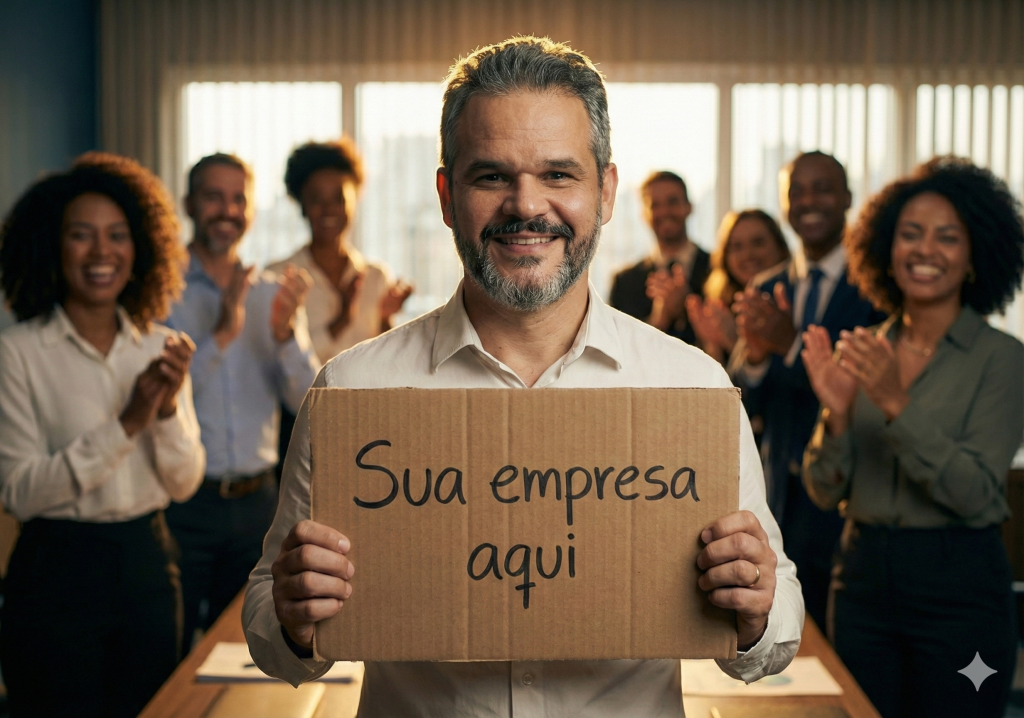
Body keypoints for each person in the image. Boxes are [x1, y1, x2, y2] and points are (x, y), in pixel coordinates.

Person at [244, 36, 803, 717]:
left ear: (606, 193)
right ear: (448, 196)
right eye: (492, 177)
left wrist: (755, 608)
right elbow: (270, 626)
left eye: (559, 175)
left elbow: (775, 633)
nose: (525, 205)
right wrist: (296, 617)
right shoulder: (351, 394)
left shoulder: (693, 390)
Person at [802, 157, 1024, 718]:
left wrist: (896, 401)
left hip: (961, 584)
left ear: (975, 255)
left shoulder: (1003, 360)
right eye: (911, 235)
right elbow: (825, 492)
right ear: (886, 248)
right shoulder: (863, 349)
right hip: (862, 580)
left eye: (948, 237)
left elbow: (975, 493)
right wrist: (838, 416)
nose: (926, 251)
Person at [0, 152, 205, 718]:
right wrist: (129, 423)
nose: (101, 252)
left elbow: (185, 483)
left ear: (139, 248)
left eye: (117, 235)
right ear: (52, 245)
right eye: (81, 236)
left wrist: (163, 416)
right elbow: (19, 492)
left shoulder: (161, 347)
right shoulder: (15, 355)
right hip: (53, 574)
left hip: (148, 565)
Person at [165, 153, 320, 650]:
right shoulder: (161, 294)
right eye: (214, 196)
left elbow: (310, 401)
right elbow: (160, 400)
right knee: (169, 649)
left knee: (251, 648)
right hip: (182, 505)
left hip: (259, 506)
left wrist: (284, 338)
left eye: (238, 199)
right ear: (189, 203)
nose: (227, 210)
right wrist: (224, 332)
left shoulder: (272, 296)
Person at [730, 151, 886, 633]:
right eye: (797, 191)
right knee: (786, 638)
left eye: (823, 188)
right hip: (780, 495)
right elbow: (745, 404)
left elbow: (863, 393)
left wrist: (790, 345)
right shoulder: (767, 285)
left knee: (847, 643)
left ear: (847, 199)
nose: (809, 200)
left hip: (849, 493)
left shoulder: (877, 288)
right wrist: (755, 359)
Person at [269, 139, 413, 365]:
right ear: (302, 205)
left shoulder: (376, 277)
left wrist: (386, 319)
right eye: (317, 199)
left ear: (354, 201)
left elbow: (389, 365)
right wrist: (340, 322)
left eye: (339, 198)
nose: (328, 209)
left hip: (366, 402)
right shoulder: (278, 277)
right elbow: (276, 365)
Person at [610, 171, 711, 344]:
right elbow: (616, 348)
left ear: (689, 207)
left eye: (672, 202)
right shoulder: (624, 282)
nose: (664, 211)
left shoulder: (717, 268)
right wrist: (659, 320)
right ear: (644, 214)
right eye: (655, 205)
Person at [686, 209, 791, 363]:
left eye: (758, 243)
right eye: (737, 247)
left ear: (779, 247)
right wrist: (712, 344)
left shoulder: (793, 300)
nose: (748, 254)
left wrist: (733, 341)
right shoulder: (719, 307)